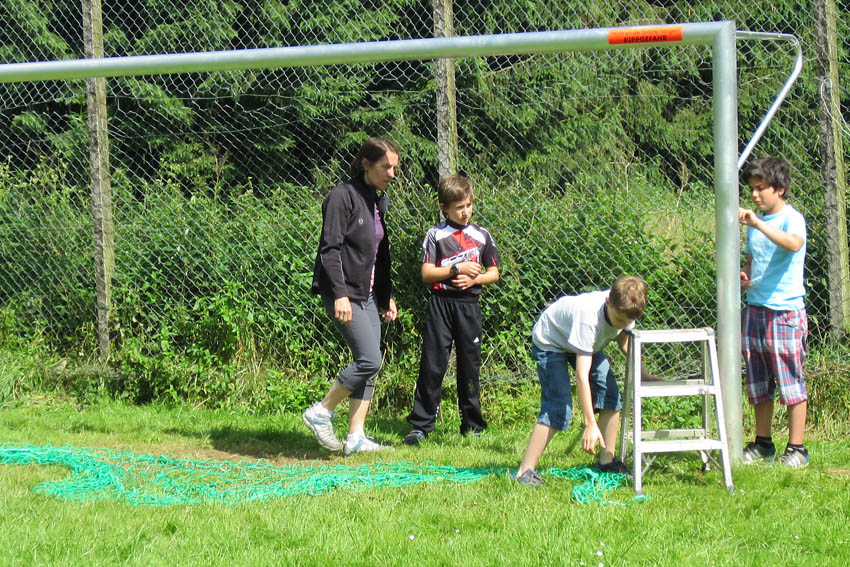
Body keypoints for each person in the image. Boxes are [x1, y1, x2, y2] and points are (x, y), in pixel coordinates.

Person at [303, 137, 399, 456]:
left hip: (369, 295)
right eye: (386, 167)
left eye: (394, 167)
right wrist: (340, 294)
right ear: (366, 165)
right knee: (369, 358)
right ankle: (322, 412)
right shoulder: (341, 197)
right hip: (344, 293)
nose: (392, 174)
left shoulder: (377, 201)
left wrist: (386, 297)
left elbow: (378, 256)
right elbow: (329, 250)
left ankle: (356, 436)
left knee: (371, 363)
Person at [514, 276, 657, 486]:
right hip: (551, 342)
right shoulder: (588, 316)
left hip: (584, 344)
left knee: (610, 394)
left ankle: (607, 461)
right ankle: (524, 471)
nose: (622, 325)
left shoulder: (627, 309)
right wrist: (590, 424)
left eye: (626, 322)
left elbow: (624, 339)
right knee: (558, 406)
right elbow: (582, 375)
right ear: (608, 301)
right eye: (618, 320)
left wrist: (643, 373)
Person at [403, 175, 501, 445]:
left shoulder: (482, 235)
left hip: (469, 306)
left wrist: (475, 278)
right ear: (444, 207)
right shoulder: (435, 235)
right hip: (440, 305)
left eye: (469, 205)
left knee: (469, 366)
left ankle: (472, 424)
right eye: (459, 207)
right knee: (433, 365)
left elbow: (494, 272)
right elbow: (427, 273)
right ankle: (421, 425)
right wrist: (456, 269)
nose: (465, 212)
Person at [738, 157, 810, 468]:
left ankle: (797, 449)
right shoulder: (758, 224)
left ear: (779, 189)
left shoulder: (790, 219)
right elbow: (753, 261)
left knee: (790, 381)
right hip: (755, 310)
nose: (754, 195)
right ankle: (763, 443)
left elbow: (793, 245)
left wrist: (757, 223)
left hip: (785, 313)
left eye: (760, 188)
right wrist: (744, 274)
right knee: (757, 382)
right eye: (751, 189)